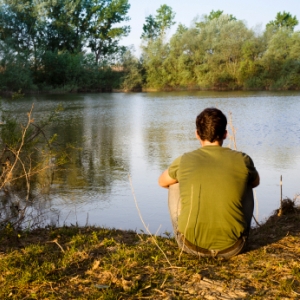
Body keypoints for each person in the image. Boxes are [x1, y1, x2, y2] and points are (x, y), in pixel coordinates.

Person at [158, 107, 260, 259]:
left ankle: (184, 231)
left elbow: (162, 182)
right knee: (247, 182)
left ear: (197, 134)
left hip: (191, 246)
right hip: (234, 248)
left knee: (174, 183)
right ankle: (238, 233)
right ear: (225, 134)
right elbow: (256, 182)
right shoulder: (243, 159)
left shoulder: (184, 160)